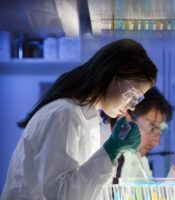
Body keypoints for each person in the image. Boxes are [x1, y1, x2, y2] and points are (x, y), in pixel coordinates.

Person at [0, 39, 158, 200]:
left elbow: (84, 189)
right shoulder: (63, 114)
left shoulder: (87, 116)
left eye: (137, 99)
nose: (132, 106)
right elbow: (61, 195)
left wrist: (112, 152)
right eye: (132, 94)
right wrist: (111, 150)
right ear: (110, 75)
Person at [110, 87, 173, 182]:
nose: (157, 143)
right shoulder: (94, 151)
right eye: (151, 128)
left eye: (160, 132)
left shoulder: (137, 160)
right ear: (124, 118)